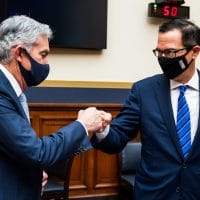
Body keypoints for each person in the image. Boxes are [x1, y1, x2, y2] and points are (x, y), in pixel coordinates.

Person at [0, 15, 111, 199]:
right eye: (43, 55)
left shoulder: (11, 91)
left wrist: (33, 174)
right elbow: (37, 153)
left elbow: (17, 152)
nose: (46, 64)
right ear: (19, 53)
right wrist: (83, 124)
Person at [91, 19, 200, 199]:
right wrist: (103, 129)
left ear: (194, 52)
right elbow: (117, 138)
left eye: (170, 52)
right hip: (155, 193)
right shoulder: (144, 91)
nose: (163, 58)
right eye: (159, 52)